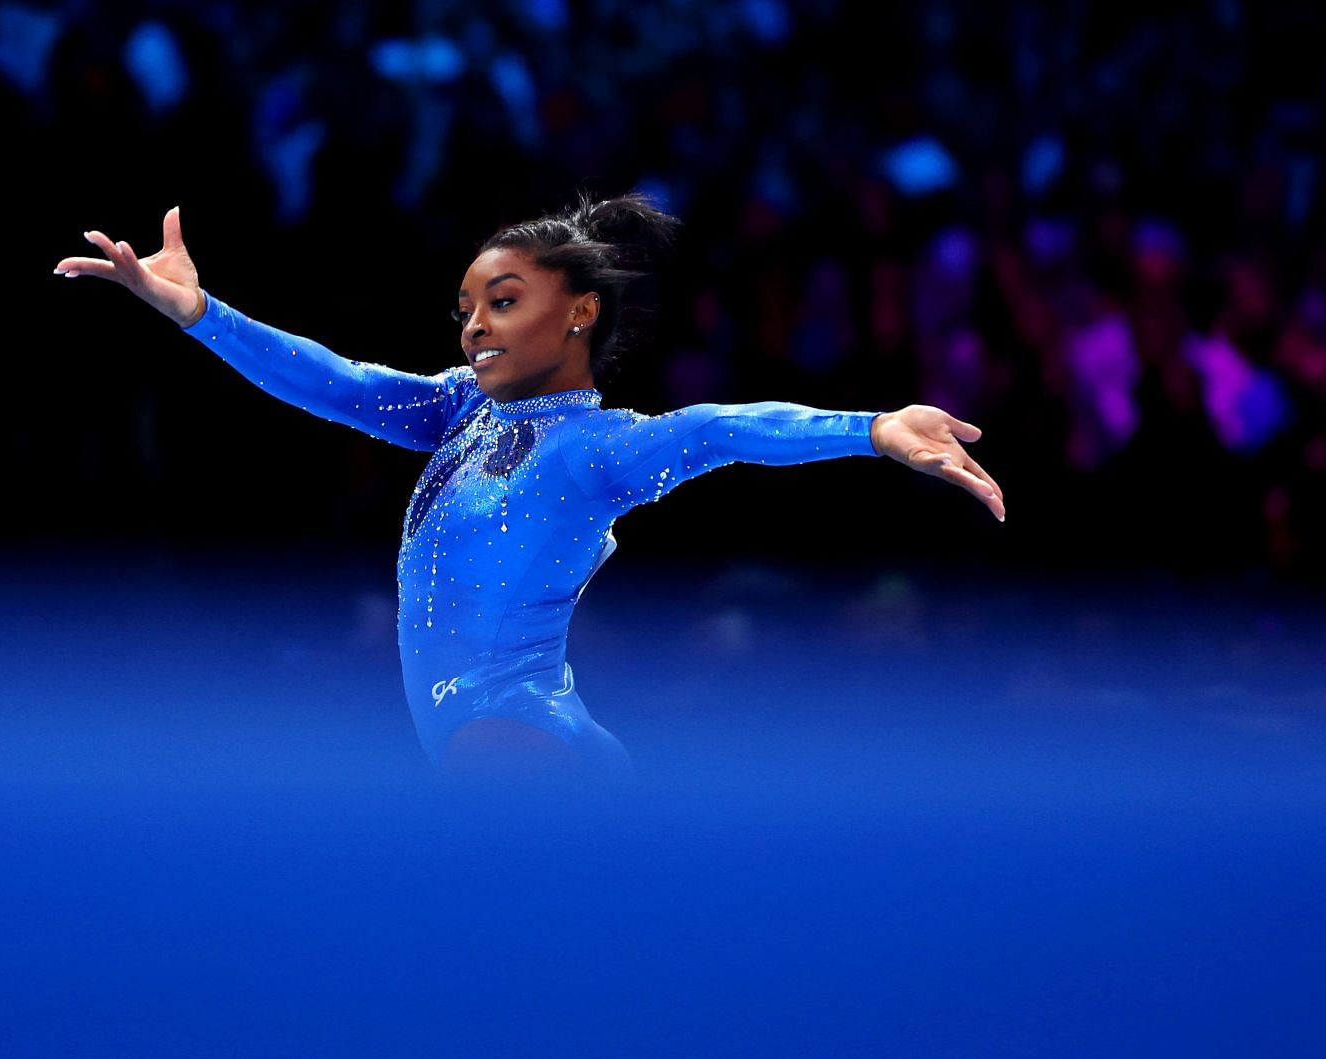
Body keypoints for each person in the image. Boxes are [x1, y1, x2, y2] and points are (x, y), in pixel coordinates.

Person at [56, 194, 1004, 778]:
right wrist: (201, 313)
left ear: (580, 312)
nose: (474, 326)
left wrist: (872, 429)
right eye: (466, 308)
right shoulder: (458, 412)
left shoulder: (595, 449)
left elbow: (718, 430)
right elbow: (337, 382)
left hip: (514, 741)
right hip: (509, 743)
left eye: (504, 303)